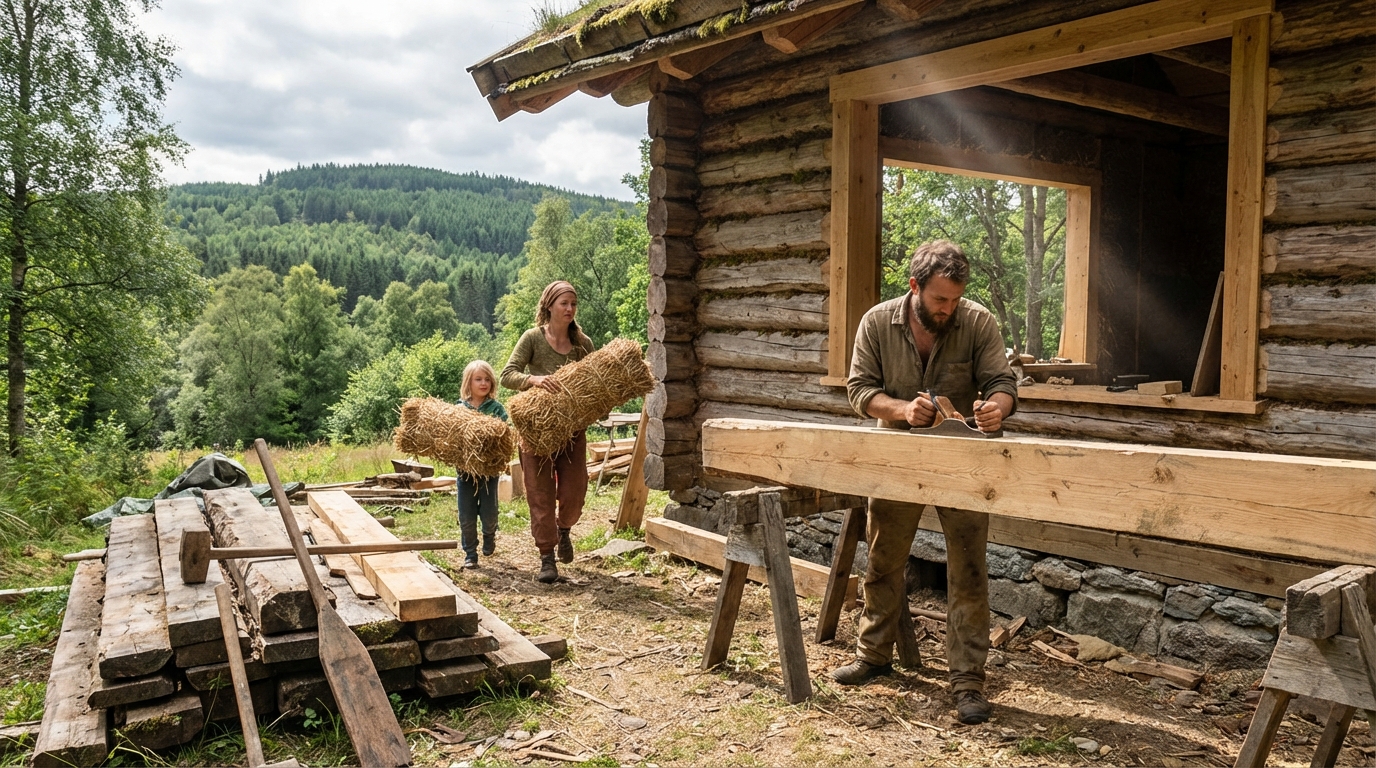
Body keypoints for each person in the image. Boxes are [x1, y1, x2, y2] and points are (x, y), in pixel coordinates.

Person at [830, 240, 1017, 726]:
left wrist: (997, 407)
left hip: (962, 458)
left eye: (955, 299)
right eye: (939, 300)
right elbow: (858, 390)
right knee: (884, 556)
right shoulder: (876, 322)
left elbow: (1003, 381)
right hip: (897, 454)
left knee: (968, 567)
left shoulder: (977, 322)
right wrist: (901, 410)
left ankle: (968, 680)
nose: (948, 308)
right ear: (914, 288)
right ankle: (873, 656)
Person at [500, 280, 595, 584]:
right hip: (536, 431)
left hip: (571, 430)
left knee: (574, 491)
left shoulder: (583, 344)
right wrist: (535, 380)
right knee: (539, 493)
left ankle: (564, 529)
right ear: (549, 306)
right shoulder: (532, 338)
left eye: (573, 304)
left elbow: (595, 383)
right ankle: (546, 556)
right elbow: (507, 375)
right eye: (564, 303)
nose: (569, 309)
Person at [456, 359, 508, 570]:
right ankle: (470, 553)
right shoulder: (459, 409)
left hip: (489, 472)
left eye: (487, 379)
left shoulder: (496, 409)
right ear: (469, 382)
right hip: (465, 472)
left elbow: (505, 435)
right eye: (478, 379)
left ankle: (489, 535)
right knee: (466, 515)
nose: (483, 383)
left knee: (489, 513)